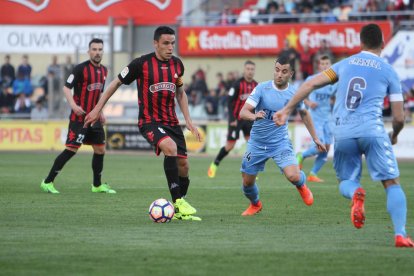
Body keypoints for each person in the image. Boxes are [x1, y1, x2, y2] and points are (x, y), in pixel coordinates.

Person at [274, 23, 413, 247]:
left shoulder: (344, 65)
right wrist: (395, 135)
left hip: (344, 132)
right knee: (391, 183)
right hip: (373, 131)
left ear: (360, 43)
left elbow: (310, 83)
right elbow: (398, 117)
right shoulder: (388, 71)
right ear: (383, 44)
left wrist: (287, 109)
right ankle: (400, 235)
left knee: (346, 181)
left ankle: (356, 191)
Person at [84, 26, 202, 221]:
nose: (170, 47)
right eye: (165, 43)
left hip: (172, 122)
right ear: (155, 43)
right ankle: (178, 202)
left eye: (172, 43)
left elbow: (180, 92)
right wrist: (97, 109)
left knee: (184, 165)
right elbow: (115, 83)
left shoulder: (178, 65)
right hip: (149, 121)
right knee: (170, 148)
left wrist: (188, 120)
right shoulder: (141, 64)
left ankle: (181, 207)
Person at [238, 56, 326, 216]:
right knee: (247, 183)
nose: (279, 74)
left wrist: (316, 138)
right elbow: (243, 112)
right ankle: (255, 204)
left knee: (293, 176)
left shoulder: (294, 93)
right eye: (277, 70)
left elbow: (304, 114)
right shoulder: (261, 88)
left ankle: (302, 184)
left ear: (291, 73)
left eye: (284, 71)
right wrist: (254, 116)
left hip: (280, 143)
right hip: (256, 143)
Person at [40, 38, 116, 194]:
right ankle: (47, 182)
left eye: (100, 49)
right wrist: (74, 106)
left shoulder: (104, 70)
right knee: (71, 149)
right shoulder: (80, 69)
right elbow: (66, 88)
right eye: (94, 49)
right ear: (89, 52)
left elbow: (99, 94)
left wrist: (100, 112)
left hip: (94, 119)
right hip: (79, 119)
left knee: (100, 150)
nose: (97, 52)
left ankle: (97, 185)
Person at [208, 60, 258, 178]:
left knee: (252, 144)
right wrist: (232, 119)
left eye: (252, 69)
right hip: (236, 119)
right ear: (244, 70)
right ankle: (215, 164)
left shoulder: (256, 85)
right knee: (230, 146)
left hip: (249, 119)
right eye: (248, 69)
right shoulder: (237, 84)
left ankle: (251, 171)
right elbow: (229, 102)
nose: (250, 71)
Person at [296, 55, 337, 182]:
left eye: (327, 63)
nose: (325, 66)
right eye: (322, 63)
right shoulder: (312, 79)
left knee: (328, 147)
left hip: (328, 118)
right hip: (315, 118)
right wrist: (308, 103)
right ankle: (301, 155)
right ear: (319, 66)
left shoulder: (334, 81)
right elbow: (300, 94)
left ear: (330, 65)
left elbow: (336, 96)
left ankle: (313, 174)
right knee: (320, 146)